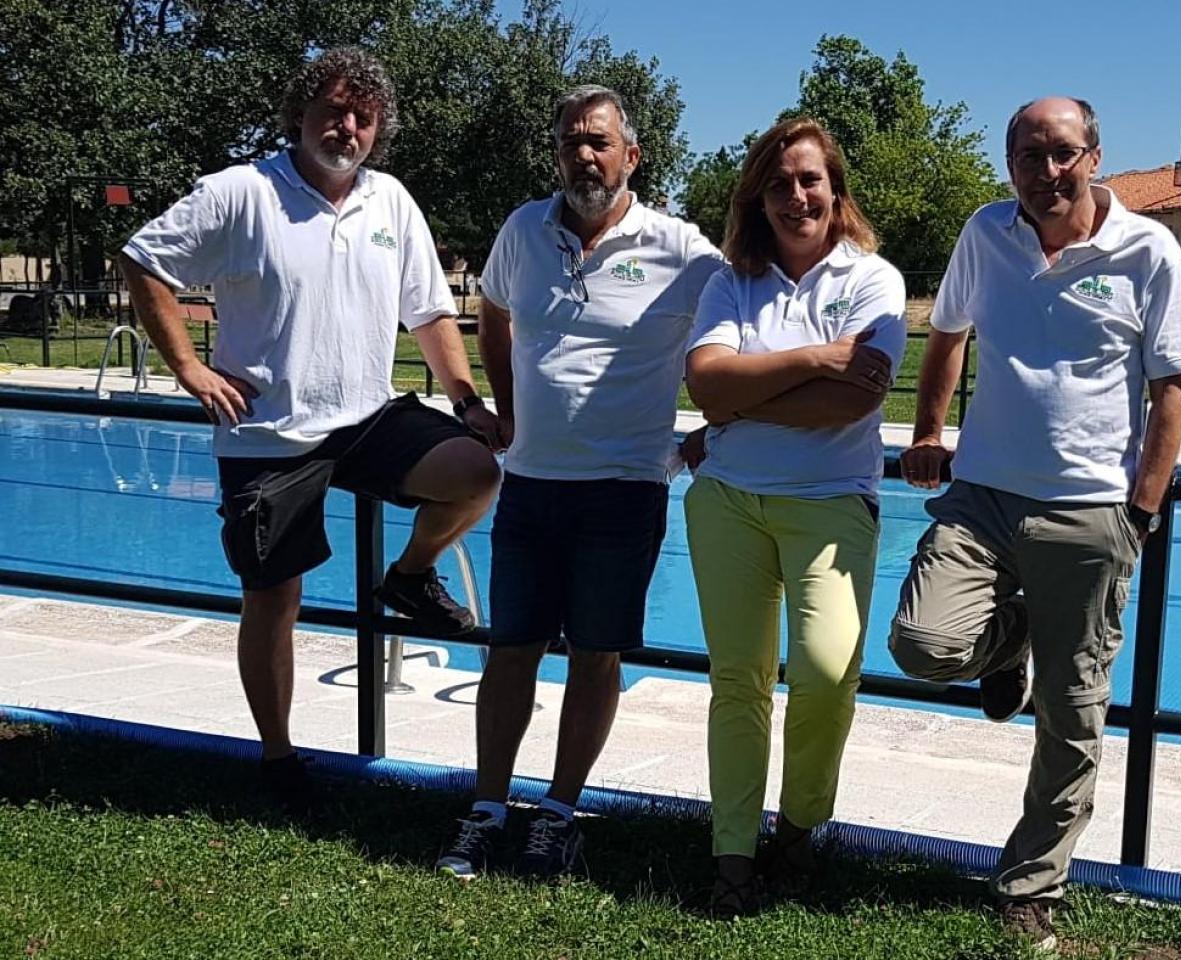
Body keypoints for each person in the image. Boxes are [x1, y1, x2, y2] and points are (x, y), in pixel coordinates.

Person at [118, 48, 502, 810]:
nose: (347, 127)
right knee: (274, 599)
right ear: (300, 113)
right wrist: (190, 370)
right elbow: (144, 261)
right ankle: (278, 754)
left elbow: (427, 313)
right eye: (333, 110)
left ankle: (409, 575)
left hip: (367, 416)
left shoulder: (391, 201)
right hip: (267, 431)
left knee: (476, 473)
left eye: (363, 117)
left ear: (378, 129)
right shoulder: (240, 193)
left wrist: (466, 401)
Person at [888, 96, 1181, 950]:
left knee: (1073, 713)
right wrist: (929, 429)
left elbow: (1170, 387)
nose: (1047, 170)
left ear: (1095, 156)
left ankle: (1034, 881)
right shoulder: (985, 235)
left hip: (1091, 510)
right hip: (984, 496)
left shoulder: (1149, 251)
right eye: (1029, 155)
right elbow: (947, 334)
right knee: (924, 646)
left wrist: (1141, 510)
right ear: (1011, 166)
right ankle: (1010, 639)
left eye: (1062, 152)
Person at [432, 86, 724, 881]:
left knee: (596, 655)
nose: (584, 156)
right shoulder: (525, 230)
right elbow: (492, 312)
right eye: (570, 143)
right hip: (530, 482)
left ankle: (557, 814)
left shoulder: (682, 249)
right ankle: (487, 808)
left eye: (599, 142)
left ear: (632, 155)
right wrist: (504, 406)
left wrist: (712, 432)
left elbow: (746, 330)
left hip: (625, 488)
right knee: (510, 650)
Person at [681, 117, 905, 915]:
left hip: (832, 505)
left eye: (810, 180)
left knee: (825, 670)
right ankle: (733, 852)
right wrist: (815, 358)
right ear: (758, 197)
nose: (796, 196)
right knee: (737, 682)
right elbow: (707, 386)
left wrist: (747, 396)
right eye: (779, 184)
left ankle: (802, 823)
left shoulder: (872, 280)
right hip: (729, 504)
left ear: (835, 191)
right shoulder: (729, 282)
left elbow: (856, 400)